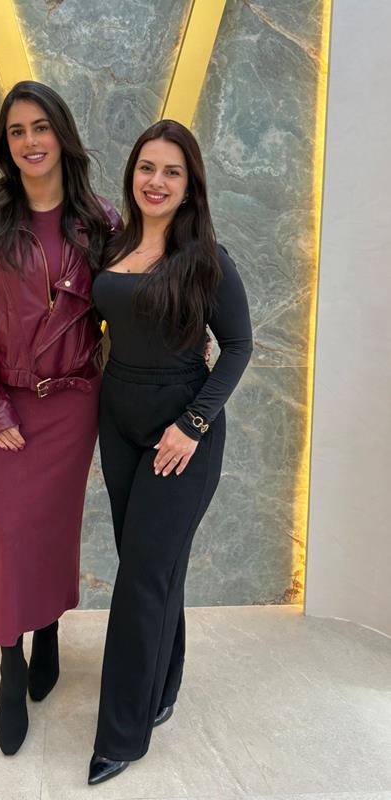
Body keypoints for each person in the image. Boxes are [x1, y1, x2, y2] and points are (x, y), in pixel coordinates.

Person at [0, 81, 121, 756]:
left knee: (53, 526)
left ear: (61, 134)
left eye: (40, 126)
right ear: (6, 142)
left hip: (73, 403)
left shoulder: (100, 221)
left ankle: (48, 630)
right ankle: (9, 662)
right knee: (10, 534)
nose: (29, 141)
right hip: (1, 407)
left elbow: (133, 298)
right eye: (17, 130)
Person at [88, 120, 253, 785]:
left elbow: (238, 346)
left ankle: (121, 734)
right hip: (118, 421)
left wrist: (193, 422)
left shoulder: (207, 258)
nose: (156, 181)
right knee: (150, 568)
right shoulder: (113, 243)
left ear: (190, 185)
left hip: (182, 433)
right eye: (147, 168)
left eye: (172, 171)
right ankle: (162, 685)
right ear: (132, 173)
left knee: (141, 579)